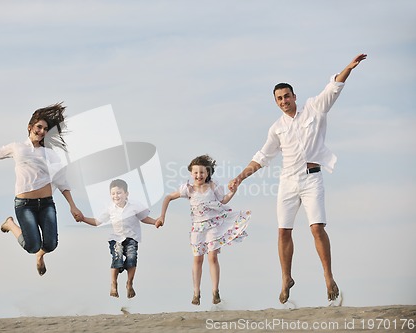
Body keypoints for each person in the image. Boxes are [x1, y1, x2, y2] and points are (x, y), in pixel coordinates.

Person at [229, 54, 367, 305]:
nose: (284, 101)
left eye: (287, 96)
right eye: (279, 99)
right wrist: (240, 177)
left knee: (317, 227)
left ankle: (328, 276)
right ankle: (286, 278)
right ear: (276, 102)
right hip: (288, 182)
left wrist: (348, 68)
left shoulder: (314, 108)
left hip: (312, 179)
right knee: (283, 231)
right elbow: (261, 157)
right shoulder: (276, 128)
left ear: (294, 97)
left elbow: (333, 88)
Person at [0, 102, 83, 276]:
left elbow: (62, 181)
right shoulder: (17, 148)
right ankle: (10, 224)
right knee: (32, 246)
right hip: (25, 204)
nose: (42, 131)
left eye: (45, 129)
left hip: (47, 204)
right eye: (39, 127)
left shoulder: (50, 154)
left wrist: (73, 206)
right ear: (30, 127)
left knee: (50, 245)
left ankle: (40, 256)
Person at [156, 154, 251, 306]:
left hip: (213, 226)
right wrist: (162, 216)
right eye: (196, 172)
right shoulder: (188, 189)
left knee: (212, 257)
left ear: (207, 173)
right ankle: (196, 292)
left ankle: (215, 291)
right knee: (197, 259)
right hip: (197, 229)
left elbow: (223, 200)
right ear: (191, 173)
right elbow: (168, 197)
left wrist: (233, 190)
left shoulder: (213, 186)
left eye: (202, 172)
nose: (199, 175)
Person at [79, 179, 160, 299]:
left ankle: (129, 283)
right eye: (113, 193)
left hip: (132, 237)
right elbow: (97, 222)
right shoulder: (109, 208)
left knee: (132, 258)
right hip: (116, 238)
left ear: (126, 194)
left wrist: (155, 222)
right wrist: (83, 218)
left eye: (119, 193)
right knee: (117, 257)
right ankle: (113, 284)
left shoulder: (135, 206)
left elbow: (144, 218)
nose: (116, 196)